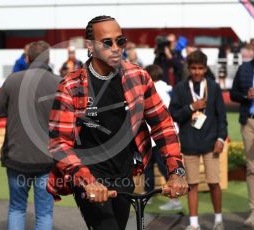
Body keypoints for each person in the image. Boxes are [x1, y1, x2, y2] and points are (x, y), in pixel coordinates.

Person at [46, 15, 188, 230]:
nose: (116, 47)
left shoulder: (138, 77)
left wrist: (176, 172)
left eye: (120, 41)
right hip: (89, 176)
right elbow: (59, 144)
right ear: (90, 46)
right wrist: (87, 181)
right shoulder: (71, 85)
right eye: (107, 42)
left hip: (125, 175)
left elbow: (162, 125)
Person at [0, 40, 60, 230]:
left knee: (16, 208)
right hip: (47, 159)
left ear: (27, 57)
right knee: (44, 213)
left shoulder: (13, 80)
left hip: (17, 156)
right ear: (48, 59)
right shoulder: (58, 83)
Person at [169, 50, 227, 230]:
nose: (197, 72)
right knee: (191, 184)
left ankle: (218, 220)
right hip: (189, 143)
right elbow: (174, 114)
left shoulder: (214, 87)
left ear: (205, 68)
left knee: (213, 183)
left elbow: (221, 116)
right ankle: (194, 224)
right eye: (193, 68)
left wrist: (221, 138)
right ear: (188, 68)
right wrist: (191, 107)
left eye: (200, 68)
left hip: (211, 143)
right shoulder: (179, 88)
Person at [143, 64, 183, 211]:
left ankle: (172, 199)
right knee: (158, 168)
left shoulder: (152, 90)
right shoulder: (169, 90)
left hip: (155, 136)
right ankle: (152, 196)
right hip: (163, 136)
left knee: (157, 168)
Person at [230, 45, 254, 228]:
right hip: (249, 122)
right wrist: (246, 96)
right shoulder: (244, 68)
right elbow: (233, 94)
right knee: (252, 168)